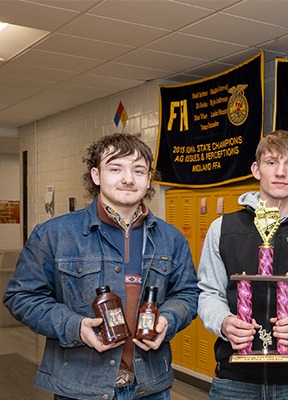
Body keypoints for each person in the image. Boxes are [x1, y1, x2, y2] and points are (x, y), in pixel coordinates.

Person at [3, 133, 199, 399]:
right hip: (81, 387)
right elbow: (21, 297)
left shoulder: (171, 238)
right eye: (115, 168)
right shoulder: (54, 234)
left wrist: (168, 319)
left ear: (149, 178)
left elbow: (187, 294)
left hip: (150, 387)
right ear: (96, 175)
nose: (128, 178)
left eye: (138, 170)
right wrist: (75, 327)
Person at [197, 130, 288, 400]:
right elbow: (209, 293)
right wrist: (224, 322)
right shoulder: (223, 228)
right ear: (256, 169)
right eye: (272, 162)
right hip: (234, 380)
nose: (281, 172)